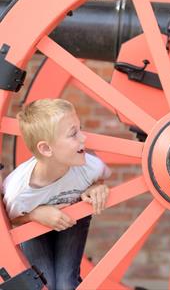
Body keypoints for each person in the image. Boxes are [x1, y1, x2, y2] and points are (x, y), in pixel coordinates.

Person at [2, 98, 111, 290]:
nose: (84, 138)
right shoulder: (19, 190)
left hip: (72, 221)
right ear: (45, 148)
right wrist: (35, 215)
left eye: (80, 128)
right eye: (73, 134)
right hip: (34, 228)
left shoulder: (89, 166)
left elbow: (99, 179)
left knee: (66, 284)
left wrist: (96, 188)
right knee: (45, 284)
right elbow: (12, 221)